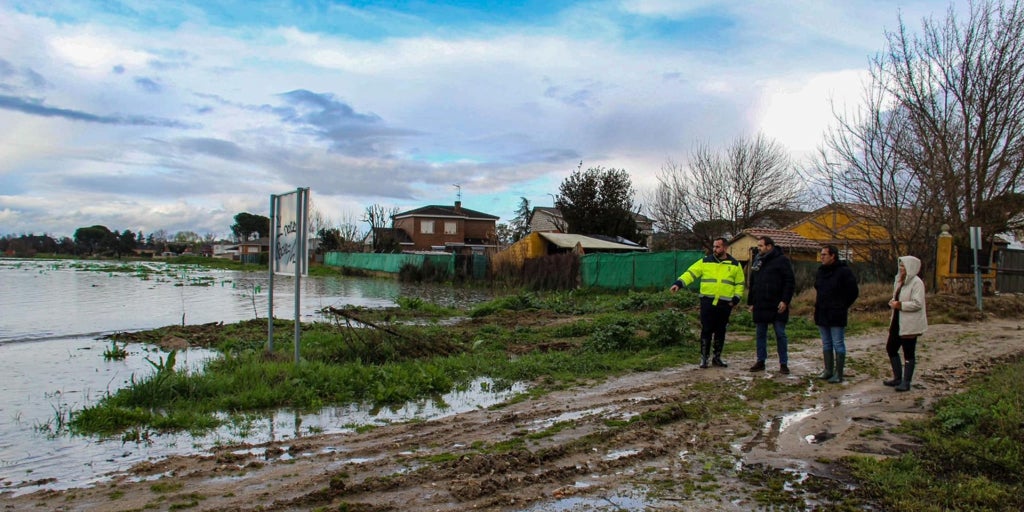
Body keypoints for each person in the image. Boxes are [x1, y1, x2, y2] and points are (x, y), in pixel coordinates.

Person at [670, 237, 745, 369]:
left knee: (720, 331)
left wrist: (736, 299)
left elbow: (739, 284)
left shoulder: (735, 264)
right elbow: (691, 273)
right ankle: (704, 358)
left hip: (725, 303)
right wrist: (679, 283)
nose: (715, 249)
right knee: (706, 330)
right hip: (707, 301)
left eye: (718, 247)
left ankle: (717, 357)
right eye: (714, 247)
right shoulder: (705, 261)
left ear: (725, 248)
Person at [747, 236, 795, 374]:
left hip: (777, 304)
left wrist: (785, 300)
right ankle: (760, 361)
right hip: (761, 303)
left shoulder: (782, 261)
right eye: (758, 246)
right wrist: (751, 302)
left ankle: (783, 363)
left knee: (780, 334)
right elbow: (753, 283)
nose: (759, 248)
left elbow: (789, 282)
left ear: (769, 246)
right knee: (760, 333)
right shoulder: (757, 260)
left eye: (761, 246)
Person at [813, 245, 859, 383]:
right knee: (826, 342)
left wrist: (842, 305)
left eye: (824, 255)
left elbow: (853, 292)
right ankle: (828, 370)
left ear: (833, 256)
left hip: (837, 312)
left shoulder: (844, 272)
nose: (822, 257)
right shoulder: (821, 271)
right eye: (821, 255)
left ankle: (839, 373)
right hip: (822, 311)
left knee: (837, 343)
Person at [885, 255, 928, 392]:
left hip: (910, 323)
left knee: (908, 352)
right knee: (891, 348)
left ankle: (906, 381)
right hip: (897, 321)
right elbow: (896, 296)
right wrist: (893, 302)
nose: (901, 268)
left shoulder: (917, 283)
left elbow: (917, 303)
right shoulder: (899, 281)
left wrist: (901, 305)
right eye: (900, 265)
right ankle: (897, 377)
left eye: (903, 266)